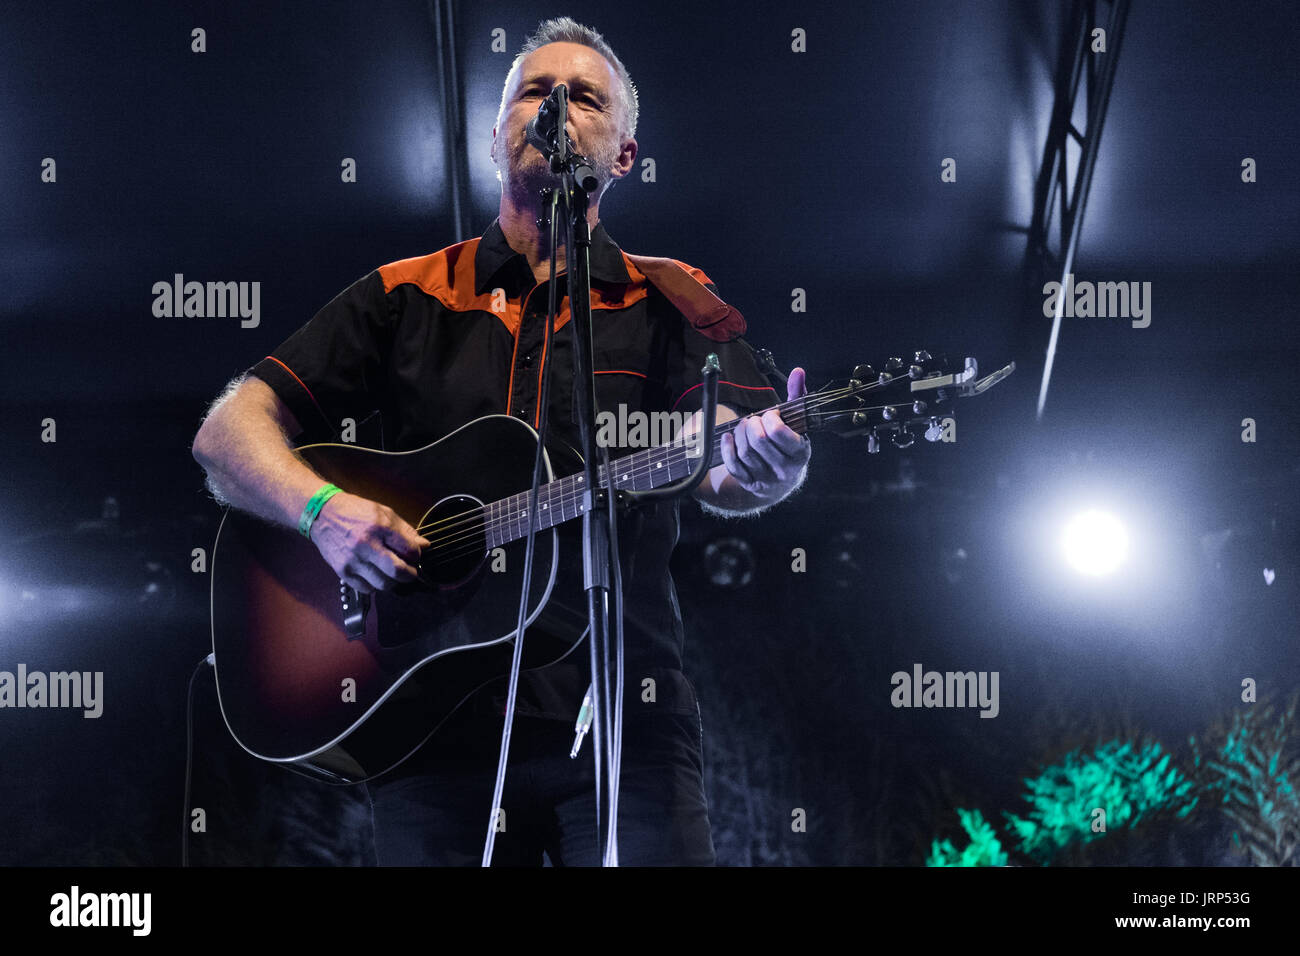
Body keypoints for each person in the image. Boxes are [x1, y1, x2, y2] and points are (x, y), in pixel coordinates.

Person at [191, 17, 811, 866]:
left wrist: (772, 460)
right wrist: (324, 512)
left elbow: (729, 464)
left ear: (624, 155)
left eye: (585, 97)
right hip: (433, 724)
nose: (555, 106)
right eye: (533, 90)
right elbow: (228, 430)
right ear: (495, 137)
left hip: (624, 713)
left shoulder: (671, 297)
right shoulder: (404, 296)